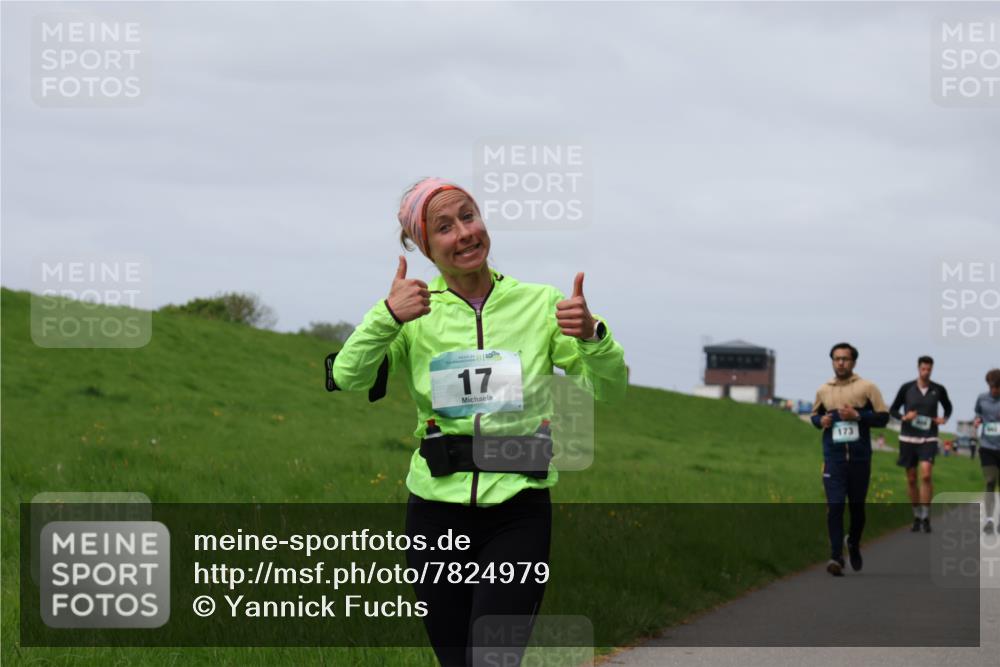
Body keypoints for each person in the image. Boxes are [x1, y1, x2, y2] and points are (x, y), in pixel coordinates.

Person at [328, 177, 627, 666]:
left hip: (518, 510)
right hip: (434, 515)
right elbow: (348, 375)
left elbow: (608, 389)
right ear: (424, 246)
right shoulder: (412, 313)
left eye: (469, 216)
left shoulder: (540, 304)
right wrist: (387, 315)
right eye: (444, 227)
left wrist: (594, 336)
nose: (464, 233)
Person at [810, 342, 890, 577]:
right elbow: (814, 415)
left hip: (859, 458)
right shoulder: (824, 390)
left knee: (857, 509)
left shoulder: (867, 387)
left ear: (853, 362)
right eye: (836, 359)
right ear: (832, 361)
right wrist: (820, 422)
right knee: (834, 506)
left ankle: (853, 542)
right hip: (833, 458)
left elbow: (883, 417)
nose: (840, 363)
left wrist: (859, 415)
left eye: (845, 359)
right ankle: (835, 557)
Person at [890, 356, 953, 533]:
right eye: (923, 369)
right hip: (908, 438)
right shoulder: (907, 388)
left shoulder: (938, 389)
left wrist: (944, 418)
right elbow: (893, 409)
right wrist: (904, 417)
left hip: (929, 437)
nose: (926, 372)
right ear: (918, 368)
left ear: (932, 369)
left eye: (929, 369)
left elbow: (948, 407)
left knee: (925, 475)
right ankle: (916, 515)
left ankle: (926, 516)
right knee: (911, 478)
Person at [973, 369, 1000, 535]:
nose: (994, 390)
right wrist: (977, 420)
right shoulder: (982, 398)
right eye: (992, 387)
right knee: (990, 480)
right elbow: (978, 413)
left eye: (997, 387)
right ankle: (989, 520)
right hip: (987, 446)